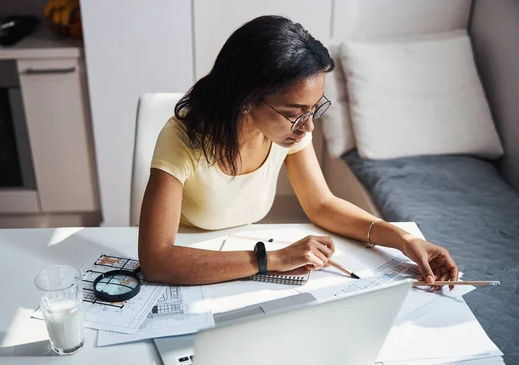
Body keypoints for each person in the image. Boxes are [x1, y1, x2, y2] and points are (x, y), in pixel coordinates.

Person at [138, 15, 458, 290]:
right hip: (191, 266)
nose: (308, 128)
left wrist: (404, 240)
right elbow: (157, 260)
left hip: (240, 266)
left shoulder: (285, 132)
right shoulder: (183, 138)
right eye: (296, 112)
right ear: (247, 98)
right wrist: (273, 259)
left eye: (314, 109)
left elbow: (321, 204)